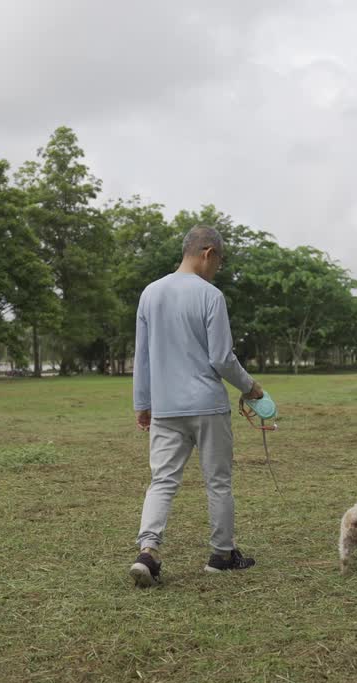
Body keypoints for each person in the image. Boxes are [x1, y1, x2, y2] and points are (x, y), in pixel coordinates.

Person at [128, 225, 265, 588]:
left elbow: (141, 356)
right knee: (218, 481)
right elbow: (221, 358)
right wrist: (250, 387)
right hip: (207, 405)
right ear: (208, 253)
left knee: (162, 480)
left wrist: (143, 403)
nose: (217, 269)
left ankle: (148, 551)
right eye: (218, 261)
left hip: (166, 407)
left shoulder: (150, 293)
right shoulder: (211, 295)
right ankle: (221, 555)